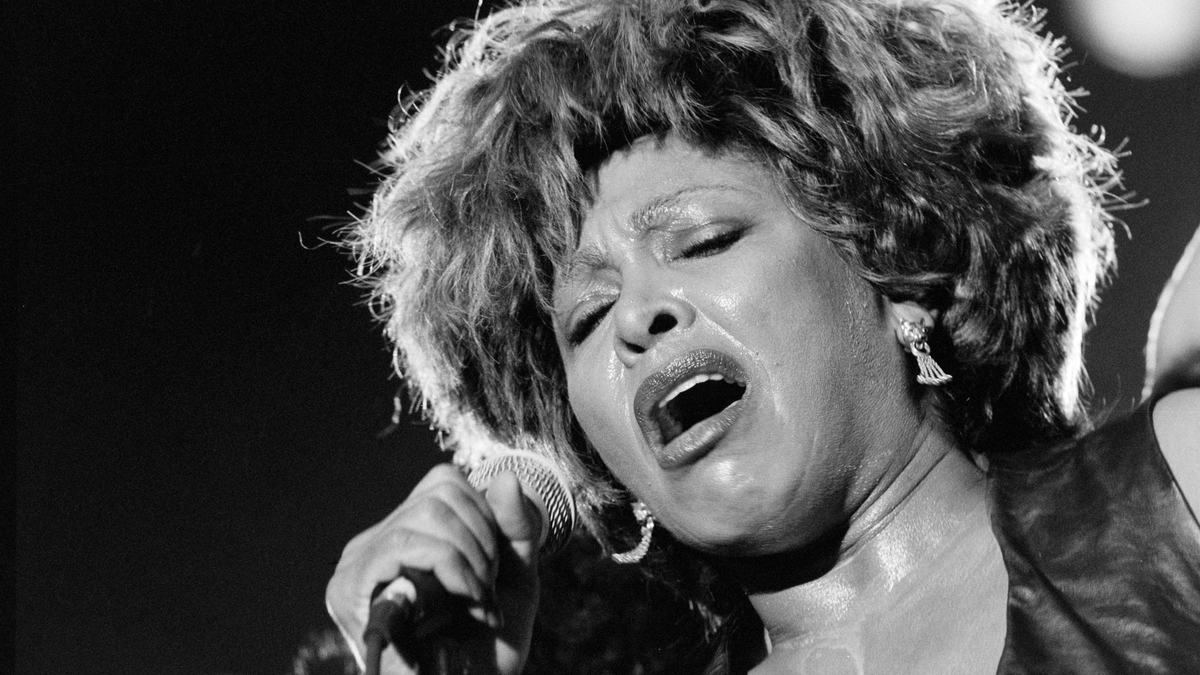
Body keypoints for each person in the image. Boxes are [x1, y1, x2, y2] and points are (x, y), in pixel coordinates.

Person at [325, 0, 1200, 672]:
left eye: (704, 243)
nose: (637, 319)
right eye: (586, 319)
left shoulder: (1172, 496)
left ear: (901, 267)